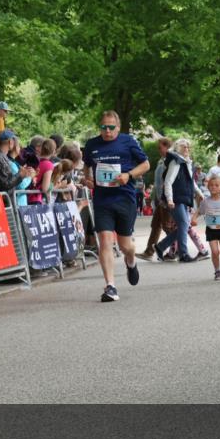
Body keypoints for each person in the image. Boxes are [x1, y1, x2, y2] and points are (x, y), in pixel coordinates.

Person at [81, 110, 150, 302]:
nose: (107, 131)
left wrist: (129, 175)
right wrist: (87, 178)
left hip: (125, 198)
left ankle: (131, 260)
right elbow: (86, 166)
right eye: (104, 127)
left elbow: (145, 164)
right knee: (105, 240)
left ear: (118, 127)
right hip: (102, 200)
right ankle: (110, 286)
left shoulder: (128, 142)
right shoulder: (92, 145)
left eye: (111, 127)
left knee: (125, 245)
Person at [157, 138, 206, 263]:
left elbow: (191, 182)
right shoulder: (176, 162)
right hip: (175, 200)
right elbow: (168, 182)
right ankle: (183, 254)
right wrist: (169, 199)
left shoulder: (186, 163)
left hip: (183, 199)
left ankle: (161, 246)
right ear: (178, 148)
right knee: (184, 224)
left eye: (188, 147)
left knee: (184, 226)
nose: (187, 149)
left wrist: (201, 194)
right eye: (184, 147)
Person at [137, 137, 173, 260]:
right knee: (156, 225)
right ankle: (149, 251)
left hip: (166, 199)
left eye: (160, 147)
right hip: (159, 199)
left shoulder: (171, 162)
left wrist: (168, 199)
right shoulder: (161, 161)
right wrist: (152, 197)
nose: (158, 149)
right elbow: (157, 182)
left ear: (167, 147)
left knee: (168, 227)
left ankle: (174, 250)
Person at [0, 130, 32, 198]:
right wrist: (20, 175)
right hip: (2, 201)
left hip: (3, 199)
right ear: (10, 142)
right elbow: (5, 184)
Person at [29, 139, 57, 204]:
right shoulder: (49, 165)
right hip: (35, 198)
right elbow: (45, 188)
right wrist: (53, 185)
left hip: (26, 196)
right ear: (53, 151)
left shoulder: (34, 160)